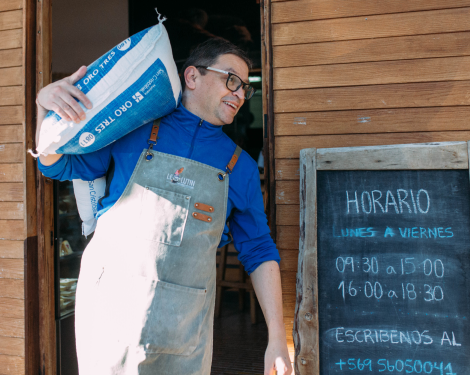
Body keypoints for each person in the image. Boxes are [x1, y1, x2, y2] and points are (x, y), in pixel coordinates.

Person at [36, 38, 292, 375]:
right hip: (111, 309)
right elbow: (55, 165)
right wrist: (46, 107)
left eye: (245, 87)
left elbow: (259, 251)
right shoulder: (133, 130)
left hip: (184, 323)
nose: (240, 94)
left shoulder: (239, 166)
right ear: (192, 77)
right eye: (231, 79)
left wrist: (277, 338)